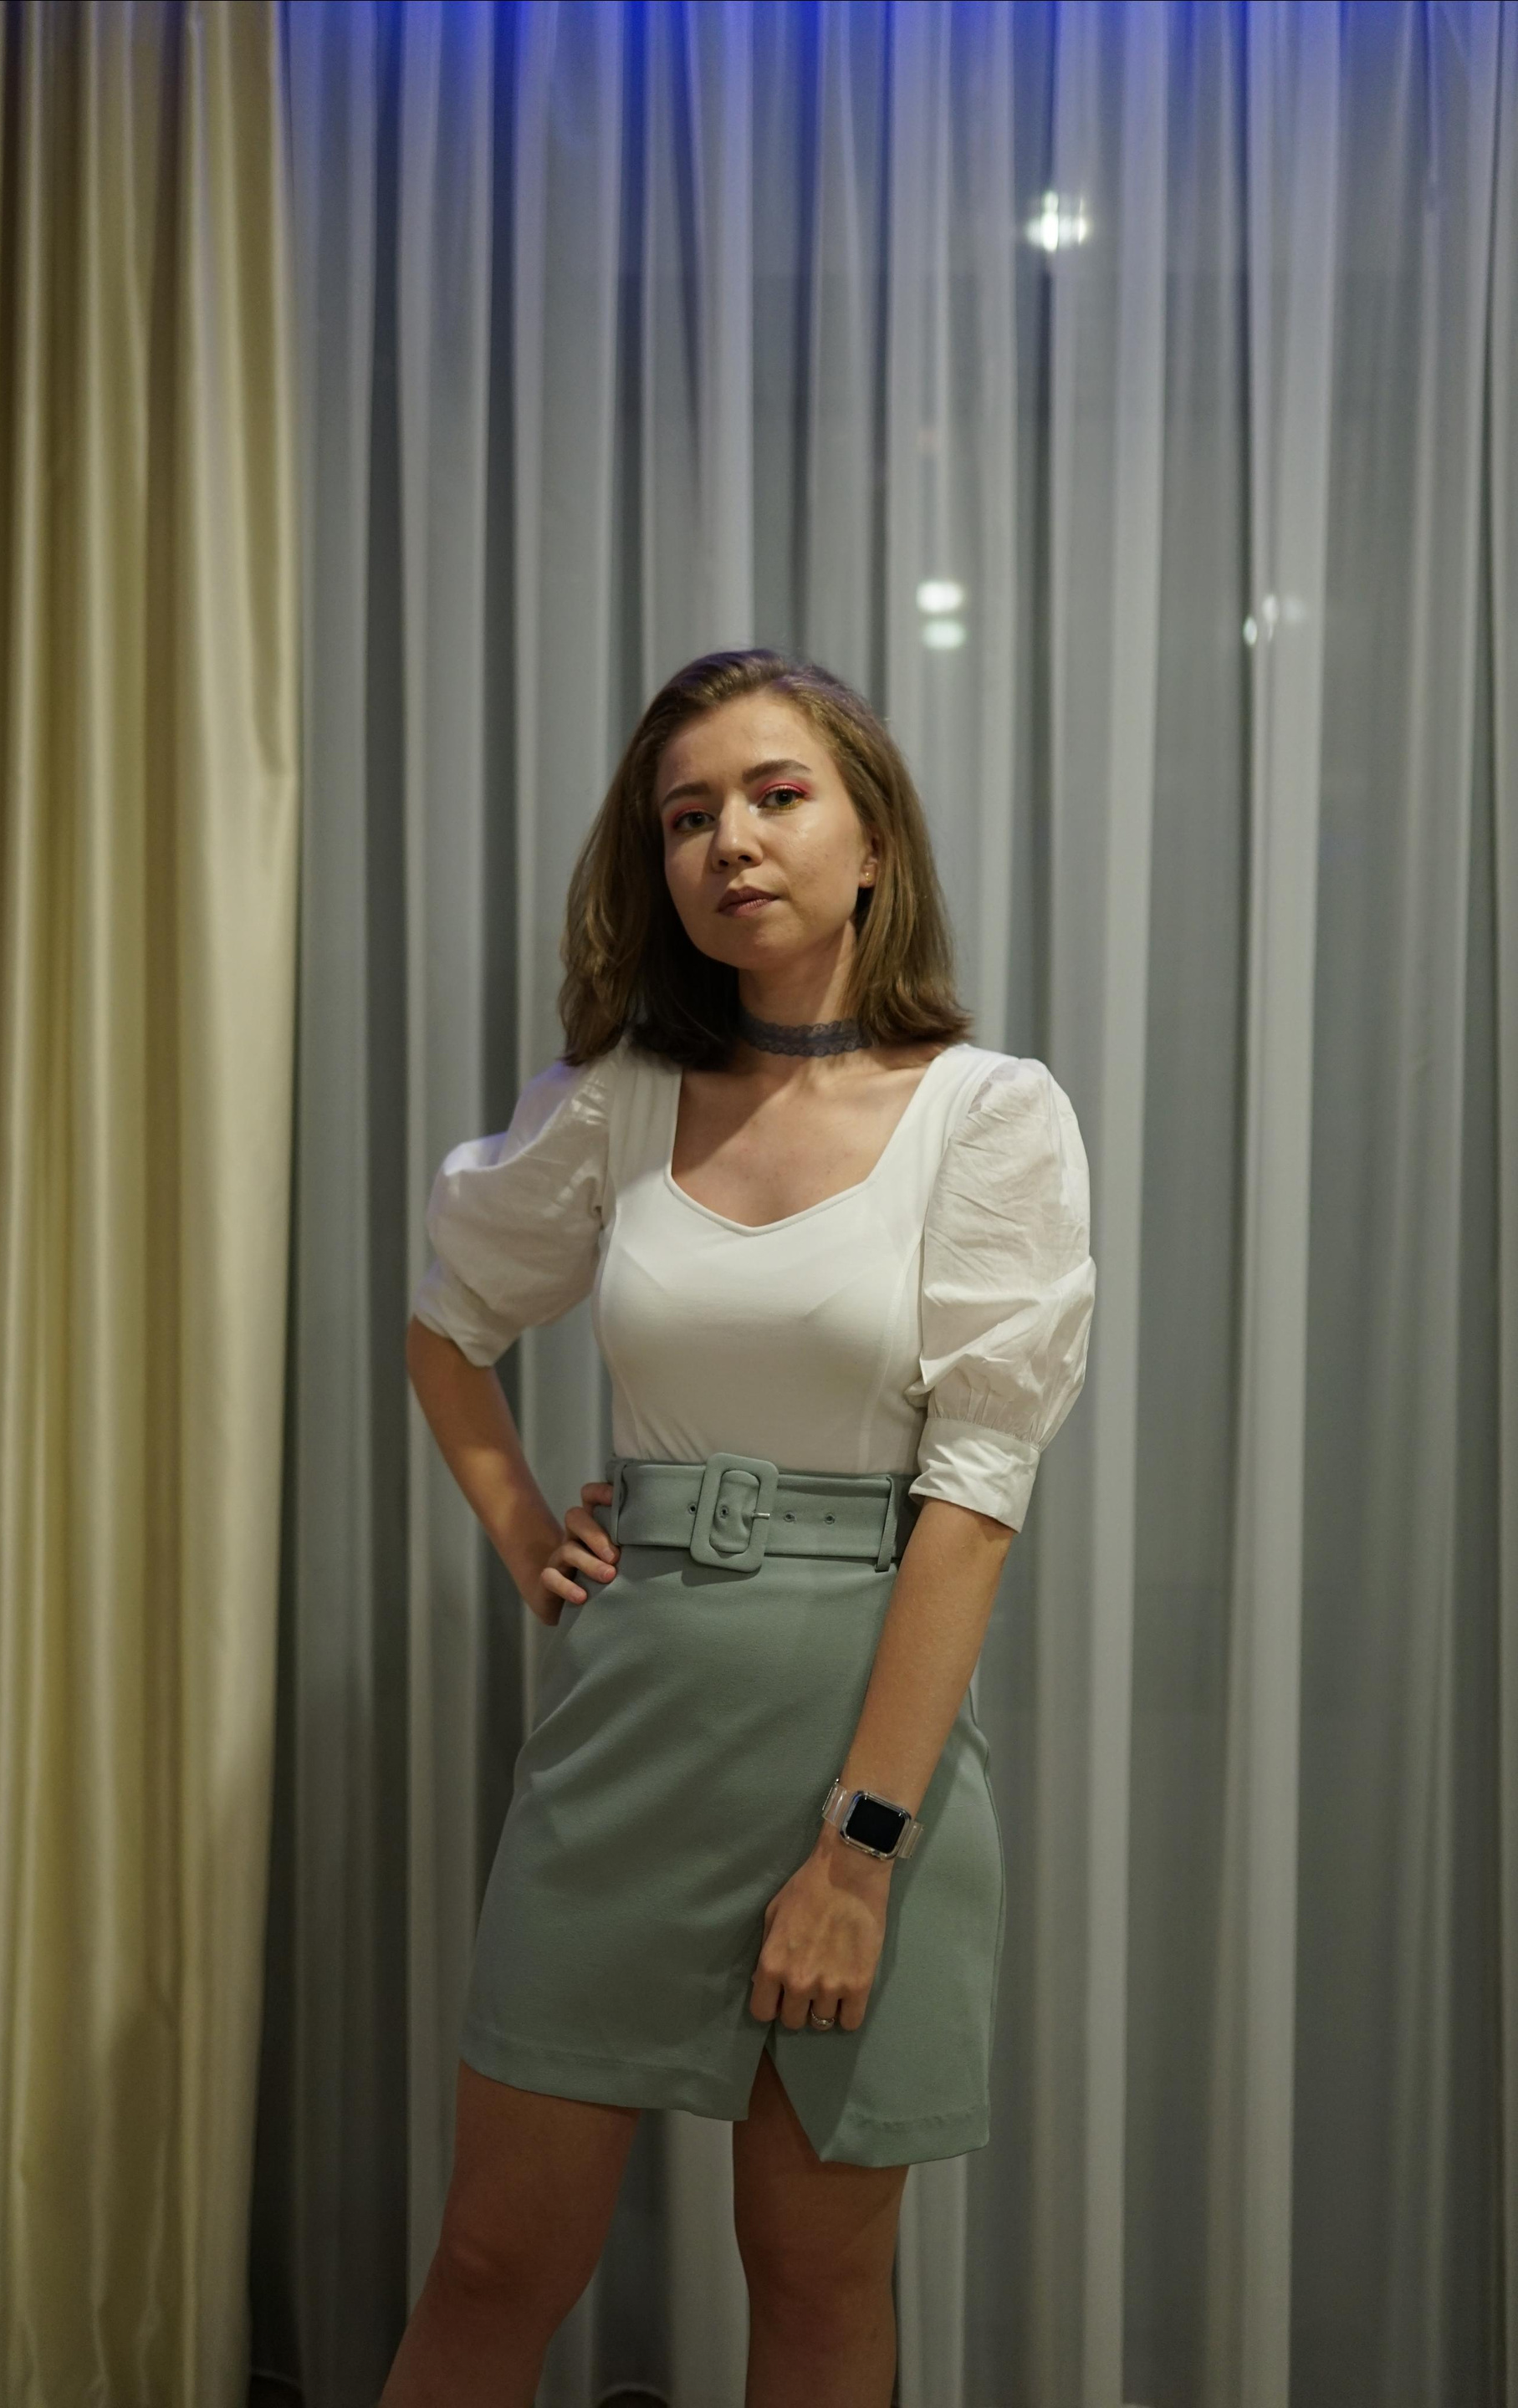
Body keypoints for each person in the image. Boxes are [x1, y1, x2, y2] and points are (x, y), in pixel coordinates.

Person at [384, 649, 1096, 2408]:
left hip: (864, 1758)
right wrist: (526, 1529)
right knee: (489, 2263)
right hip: (629, 1738)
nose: (731, 842)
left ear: (873, 844)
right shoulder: (617, 1102)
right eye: (687, 815)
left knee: (816, 2281)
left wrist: (857, 1856)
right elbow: (450, 1328)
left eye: (778, 797)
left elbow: (975, 1505)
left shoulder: (990, 1116)